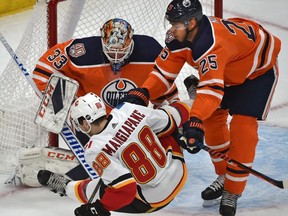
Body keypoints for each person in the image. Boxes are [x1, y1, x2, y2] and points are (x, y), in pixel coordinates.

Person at [121, 0, 281, 216]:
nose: (172, 29)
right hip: (228, 68)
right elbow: (162, 73)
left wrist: (194, 118)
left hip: (256, 74)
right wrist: (145, 91)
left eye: (176, 24)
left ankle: (233, 190)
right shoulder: (179, 37)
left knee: (243, 129)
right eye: (172, 23)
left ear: (192, 23)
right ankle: (225, 174)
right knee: (212, 120)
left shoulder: (212, 45)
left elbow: (211, 92)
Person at [37, 92, 193, 215]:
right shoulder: (128, 108)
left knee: (103, 187)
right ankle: (197, 97)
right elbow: (170, 119)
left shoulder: (94, 148)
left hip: (154, 198)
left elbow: (126, 190)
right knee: (165, 124)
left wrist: (100, 208)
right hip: (179, 171)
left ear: (85, 123)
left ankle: (67, 187)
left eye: (79, 123)